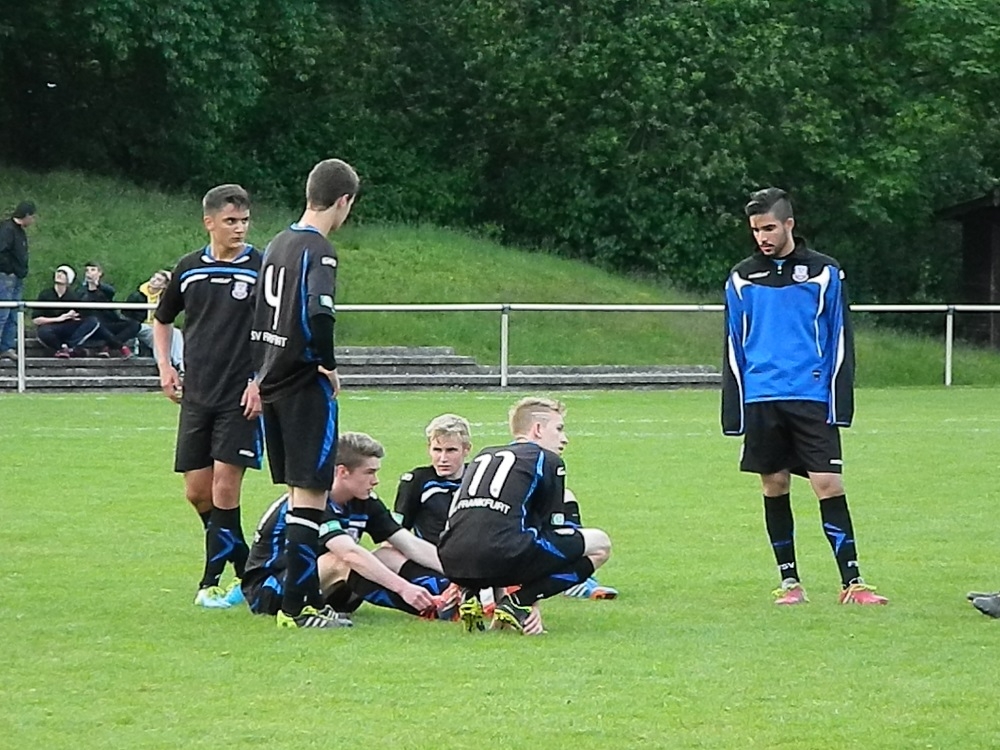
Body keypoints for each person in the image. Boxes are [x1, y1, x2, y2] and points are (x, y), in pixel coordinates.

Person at [721, 187, 888, 606]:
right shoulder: (742, 277)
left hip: (810, 395)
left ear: (789, 224)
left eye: (769, 228)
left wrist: (839, 401)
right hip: (762, 397)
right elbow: (733, 344)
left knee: (828, 483)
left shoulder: (824, 272)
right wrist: (734, 410)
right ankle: (790, 582)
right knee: (774, 484)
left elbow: (840, 338)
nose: (762, 237)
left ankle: (853, 582)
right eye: (756, 230)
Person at [250, 158, 360, 629]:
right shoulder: (319, 249)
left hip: (272, 380)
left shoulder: (278, 243)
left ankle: (301, 602)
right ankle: (299, 608)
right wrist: (328, 364)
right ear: (344, 201)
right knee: (312, 495)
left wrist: (257, 375)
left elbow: (259, 315)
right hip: (302, 384)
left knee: (300, 495)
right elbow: (320, 312)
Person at [154, 184, 262, 609]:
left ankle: (211, 581)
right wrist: (165, 366)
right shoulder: (189, 268)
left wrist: (260, 380)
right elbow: (163, 319)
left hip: (241, 396)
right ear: (209, 222)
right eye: (231, 221)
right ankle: (249, 568)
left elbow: (279, 329)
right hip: (197, 394)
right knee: (197, 492)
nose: (239, 228)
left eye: (245, 221)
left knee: (224, 486)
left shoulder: (260, 267)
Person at [395, 412, 618, 601]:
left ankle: (574, 579)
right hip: (449, 557)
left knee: (565, 496)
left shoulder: (479, 469)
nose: (443, 458)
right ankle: (519, 595)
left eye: (450, 450)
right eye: (437, 450)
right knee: (389, 554)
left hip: (476, 554)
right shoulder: (417, 481)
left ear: (466, 449)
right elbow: (396, 535)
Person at [437, 397, 613, 635]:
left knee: (498, 533)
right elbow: (549, 533)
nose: (564, 438)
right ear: (538, 429)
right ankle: (518, 602)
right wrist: (532, 600)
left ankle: (471, 594)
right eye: (559, 429)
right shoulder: (547, 460)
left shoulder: (483, 456)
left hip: (451, 560)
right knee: (600, 544)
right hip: (501, 555)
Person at [242, 432, 455, 624]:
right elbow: (348, 553)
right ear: (342, 472)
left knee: (388, 554)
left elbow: (409, 543)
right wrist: (404, 588)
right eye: (369, 472)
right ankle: (434, 610)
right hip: (272, 592)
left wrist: (459, 576)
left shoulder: (364, 500)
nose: (376, 481)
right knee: (341, 560)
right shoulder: (312, 502)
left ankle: (455, 597)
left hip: (325, 590)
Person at [32, 265, 100, 357]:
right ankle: (61, 348)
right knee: (43, 332)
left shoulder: (73, 296)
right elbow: (36, 319)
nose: (59, 274)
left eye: (63, 273)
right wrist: (60, 318)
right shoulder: (45, 294)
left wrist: (75, 317)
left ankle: (70, 347)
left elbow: (83, 314)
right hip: (51, 327)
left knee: (93, 321)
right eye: (58, 272)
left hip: (68, 327)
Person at [77, 262, 139, 358]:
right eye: (87, 270)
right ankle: (119, 346)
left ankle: (108, 346)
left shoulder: (105, 289)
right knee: (97, 323)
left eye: (93, 270)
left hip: (108, 323)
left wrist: (97, 285)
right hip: (93, 325)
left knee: (135, 325)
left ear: (100, 273)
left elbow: (110, 293)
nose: (89, 273)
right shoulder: (80, 292)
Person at [0, 201, 37, 360]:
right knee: (3, 313)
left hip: (17, 277)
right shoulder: (7, 229)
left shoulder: (19, 231)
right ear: (26, 215)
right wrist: (11, 269)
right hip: (6, 277)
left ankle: (6, 346)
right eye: (32, 216)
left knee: (13, 314)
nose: (33, 220)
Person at [125, 269, 184, 367]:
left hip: (157, 324)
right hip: (141, 325)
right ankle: (164, 365)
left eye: (158, 280)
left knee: (176, 333)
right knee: (158, 335)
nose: (153, 280)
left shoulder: (164, 297)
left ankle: (180, 363)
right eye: (154, 277)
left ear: (164, 286)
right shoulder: (137, 295)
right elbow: (127, 315)